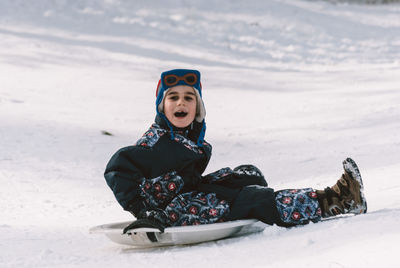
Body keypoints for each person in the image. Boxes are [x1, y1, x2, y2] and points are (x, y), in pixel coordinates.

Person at [104, 69, 367, 232]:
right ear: (162, 106)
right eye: (173, 97)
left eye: (189, 97)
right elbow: (117, 168)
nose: (181, 103)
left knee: (248, 174)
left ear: (198, 107)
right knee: (251, 199)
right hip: (171, 212)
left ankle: (256, 200)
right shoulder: (155, 141)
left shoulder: (188, 138)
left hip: (187, 195)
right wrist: (143, 212)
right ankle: (338, 199)